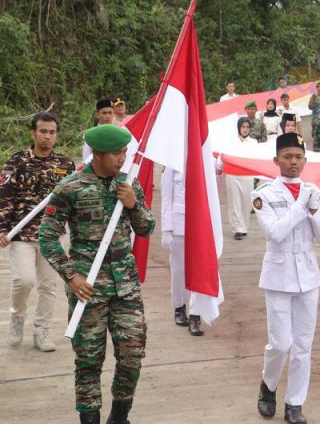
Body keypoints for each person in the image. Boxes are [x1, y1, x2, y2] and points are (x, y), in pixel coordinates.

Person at [38, 124, 155, 424]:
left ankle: (119, 417)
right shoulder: (70, 188)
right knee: (89, 362)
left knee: (132, 356)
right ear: (98, 154)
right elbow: (47, 237)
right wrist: (71, 276)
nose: (122, 157)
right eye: (117, 153)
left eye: (124, 151)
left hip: (126, 288)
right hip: (88, 289)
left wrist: (133, 205)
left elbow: (146, 228)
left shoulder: (129, 184)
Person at [253, 132, 320, 424]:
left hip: (308, 276)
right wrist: (301, 206)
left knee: (303, 345)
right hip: (278, 275)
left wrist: (314, 209)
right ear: (276, 160)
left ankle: (295, 403)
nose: (293, 162)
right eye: (287, 157)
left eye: (298, 157)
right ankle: (268, 385)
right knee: (280, 343)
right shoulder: (263, 194)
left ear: (305, 160)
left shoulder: (314, 192)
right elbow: (275, 233)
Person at [0, 112, 75, 351]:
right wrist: (2, 228)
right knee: (24, 280)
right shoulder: (17, 161)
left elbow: (71, 200)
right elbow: (5, 196)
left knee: (48, 286)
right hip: (22, 235)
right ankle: (17, 319)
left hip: (51, 236)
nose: (47, 136)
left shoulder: (65, 165)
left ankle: (42, 331)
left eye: (52, 132)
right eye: (43, 131)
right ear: (33, 133)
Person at [161, 167, 204, 336]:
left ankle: (195, 314)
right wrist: (166, 229)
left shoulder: (205, 160)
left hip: (200, 223)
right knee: (179, 271)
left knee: (199, 271)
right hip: (179, 224)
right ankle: (179, 306)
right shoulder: (172, 164)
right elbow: (166, 197)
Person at [222, 118, 257, 240]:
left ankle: (244, 227)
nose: (245, 129)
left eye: (247, 127)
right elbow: (223, 155)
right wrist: (219, 167)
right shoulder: (231, 141)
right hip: (233, 175)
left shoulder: (253, 142)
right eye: (243, 127)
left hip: (247, 176)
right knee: (234, 202)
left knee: (246, 202)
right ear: (238, 128)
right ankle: (237, 228)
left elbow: (256, 159)